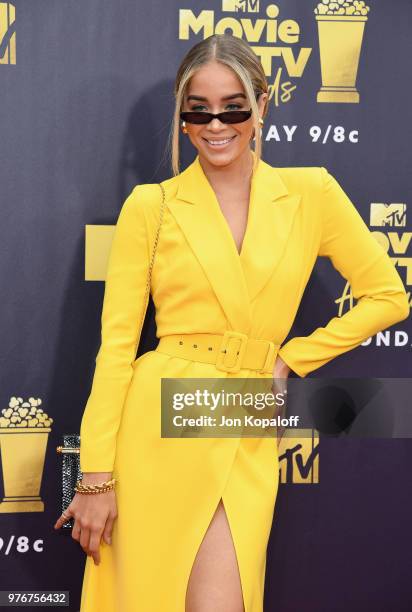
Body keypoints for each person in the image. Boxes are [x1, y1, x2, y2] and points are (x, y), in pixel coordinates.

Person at [54, 34, 409, 612]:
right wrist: (95, 478)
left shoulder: (309, 193)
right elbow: (116, 350)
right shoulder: (153, 205)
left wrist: (291, 359)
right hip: (160, 420)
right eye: (199, 110)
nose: (216, 124)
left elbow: (387, 296)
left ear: (261, 106)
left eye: (234, 107)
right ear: (183, 114)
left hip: (243, 411)